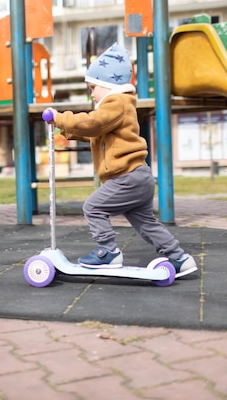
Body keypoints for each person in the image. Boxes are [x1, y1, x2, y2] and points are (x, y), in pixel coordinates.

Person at [44, 43, 197, 278]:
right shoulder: (118, 107)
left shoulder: (116, 103)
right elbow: (94, 131)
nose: (92, 93)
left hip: (127, 177)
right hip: (138, 175)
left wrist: (61, 118)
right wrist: (65, 130)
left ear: (109, 85)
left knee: (93, 207)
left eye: (94, 87)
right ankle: (178, 257)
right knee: (146, 224)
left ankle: (108, 252)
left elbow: (93, 123)